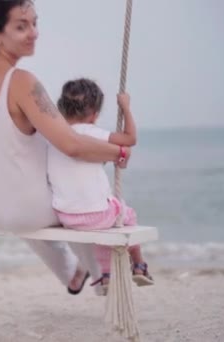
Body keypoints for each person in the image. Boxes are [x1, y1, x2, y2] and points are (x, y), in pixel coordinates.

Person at [0, 0, 132, 295]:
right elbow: (72, 145)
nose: (34, 33)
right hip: (25, 211)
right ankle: (100, 273)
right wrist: (119, 152)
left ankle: (72, 274)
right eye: (21, 26)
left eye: (35, 23)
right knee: (77, 200)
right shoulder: (23, 82)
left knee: (31, 191)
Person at [48, 78, 153, 295]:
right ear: (95, 113)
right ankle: (139, 263)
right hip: (95, 215)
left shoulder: (55, 137)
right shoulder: (92, 132)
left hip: (66, 216)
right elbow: (130, 139)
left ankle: (106, 275)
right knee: (127, 216)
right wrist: (125, 107)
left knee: (101, 231)